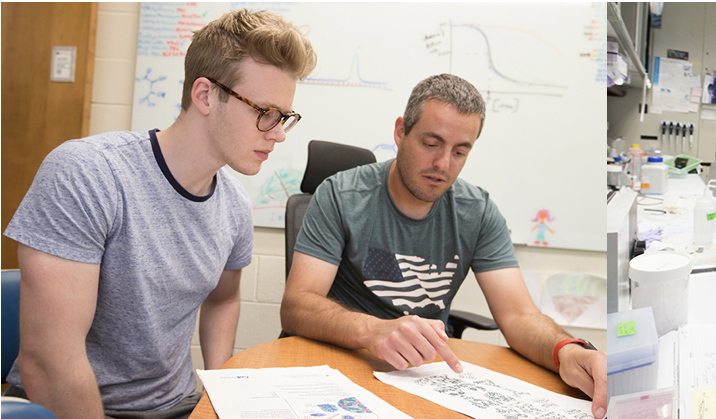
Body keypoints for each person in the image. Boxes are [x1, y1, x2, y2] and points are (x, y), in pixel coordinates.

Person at [2, 9, 317, 419]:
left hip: (178, 406)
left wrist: (220, 395)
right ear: (205, 95)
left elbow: (223, 299)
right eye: (266, 112)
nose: (276, 132)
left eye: (285, 118)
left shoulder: (235, 205)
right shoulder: (88, 174)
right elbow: (48, 361)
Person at [279, 74, 608, 418]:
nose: (443, 164)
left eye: (460, 151)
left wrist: (568, 351)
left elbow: (519, 315)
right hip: (340, 365)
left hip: (419, 377)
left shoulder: (476, 212)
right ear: (400, 132)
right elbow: (297, 306)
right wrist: (372, 330)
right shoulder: (341, 196)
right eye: (431, 143)